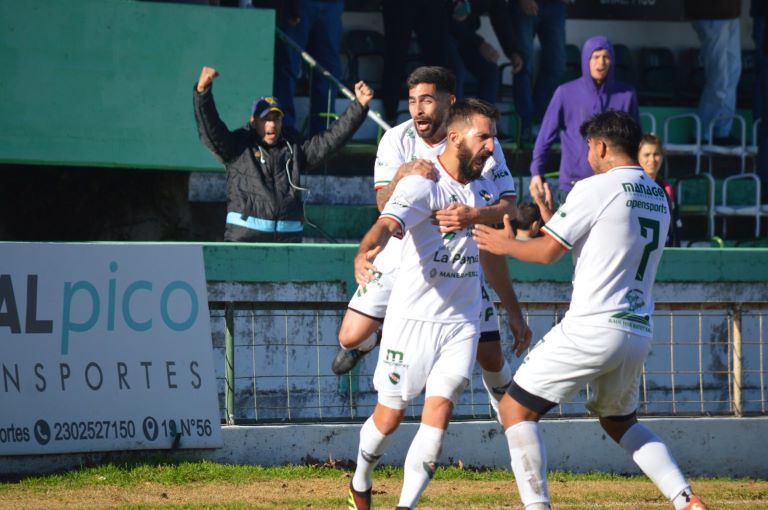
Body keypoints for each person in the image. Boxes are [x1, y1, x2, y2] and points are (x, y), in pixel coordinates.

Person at [474, 111, 708, 510]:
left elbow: (549, 252)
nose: (586, 156)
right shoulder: (657, 195)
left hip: (592, 327)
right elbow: (604, 247)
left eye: (587, 148)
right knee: (620, 422)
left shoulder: (595, 187)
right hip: (636, 329)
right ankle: (685, 499)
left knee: (513, 408)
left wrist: (503, 245)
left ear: (600, 146)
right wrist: (552, 219)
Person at [347, 98, 525, 510]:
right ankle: (361, 476)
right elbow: (387, 225)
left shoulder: (482, 191)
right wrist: (364, 251)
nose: (491, 147)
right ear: (456, 136)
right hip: (411, 321)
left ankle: (404, 507)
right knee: (388, 419)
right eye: (484, 138)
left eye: (494, 140)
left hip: (460, 323)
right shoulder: (423, 183)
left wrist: (512, 309)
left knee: (439, 417)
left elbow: (502, 221)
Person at [332, 67, 532, 421]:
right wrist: (403, 173)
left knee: (489, 355)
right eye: (412, 101)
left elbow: (509, 205)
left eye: (426, 100)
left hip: (455, 257)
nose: (417, 110)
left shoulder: (481, 139)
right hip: (401, 253)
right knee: (349, 337)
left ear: (449, 102)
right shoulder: (396, 138)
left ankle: (510, 412)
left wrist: (471, 214)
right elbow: (383, 207)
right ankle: (369, 341)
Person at [193, 66, 372, 241]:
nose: (271, 125)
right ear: (253, 121)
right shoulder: (238, 145)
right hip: (245, 241)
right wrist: (202, 92)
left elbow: (330, 140)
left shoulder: (292, 145)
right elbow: (211, 130)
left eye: (276, 118)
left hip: (288, 244)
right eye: (265, 119)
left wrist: (359, 107)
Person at [529, 35, 640, 212]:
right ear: (586, 59)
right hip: (573, 185)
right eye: (595, 57)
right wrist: (536, 172)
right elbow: (545, 136)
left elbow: (635, 142)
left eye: (606, 57)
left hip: (614, 186)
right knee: (569, 240)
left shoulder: (626, 94)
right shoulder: (565, 92)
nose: (601, 62)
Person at [270, 0, 345, 136]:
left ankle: (324, 137)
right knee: (287, 66)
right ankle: (283, 134)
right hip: (298, 4)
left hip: (332, 5)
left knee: (327, 73)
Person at [685, 0, 742, 145]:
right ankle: (701, 134)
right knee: (719, 79)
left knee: (732, 73)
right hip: (710, 11)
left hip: (731, 11)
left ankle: (722, 132)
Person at [510, 0, 567, 141]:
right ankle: (525, 125)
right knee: (523, 64)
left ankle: (540, 122)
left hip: (556, 6)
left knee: (557, 66)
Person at [450, 0, 523, 105]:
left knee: (491, 71)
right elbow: (449, 20)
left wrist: (513, 52)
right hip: (441, 33)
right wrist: (480, 44)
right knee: (456, 71)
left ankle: (484, 119)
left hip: (466, 39)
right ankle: (453, 120)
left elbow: (501, 18)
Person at [638, 134, 681, 247]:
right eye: (646, 155)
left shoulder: (667, 189)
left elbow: (674, 228)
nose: (652, 159)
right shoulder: (632, 187)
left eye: (656, 154)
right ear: (637, 157)